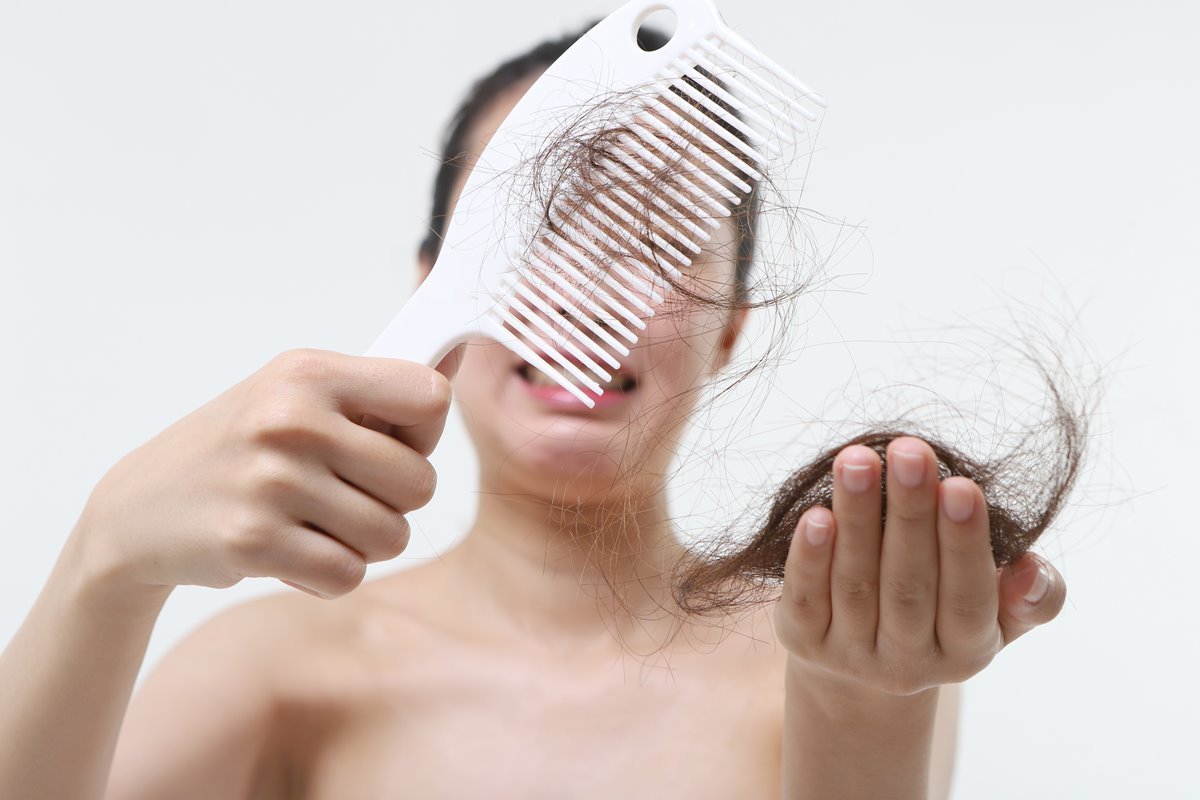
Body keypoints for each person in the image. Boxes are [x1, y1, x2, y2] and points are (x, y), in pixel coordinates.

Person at [0, 22, 1066, 800]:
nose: (575, 288)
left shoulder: (840, 651)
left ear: (730, 327)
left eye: (653, 239)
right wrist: (104, 563)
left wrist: (864, 708)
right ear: (431, 287)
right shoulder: (281, 667)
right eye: (532, 231)